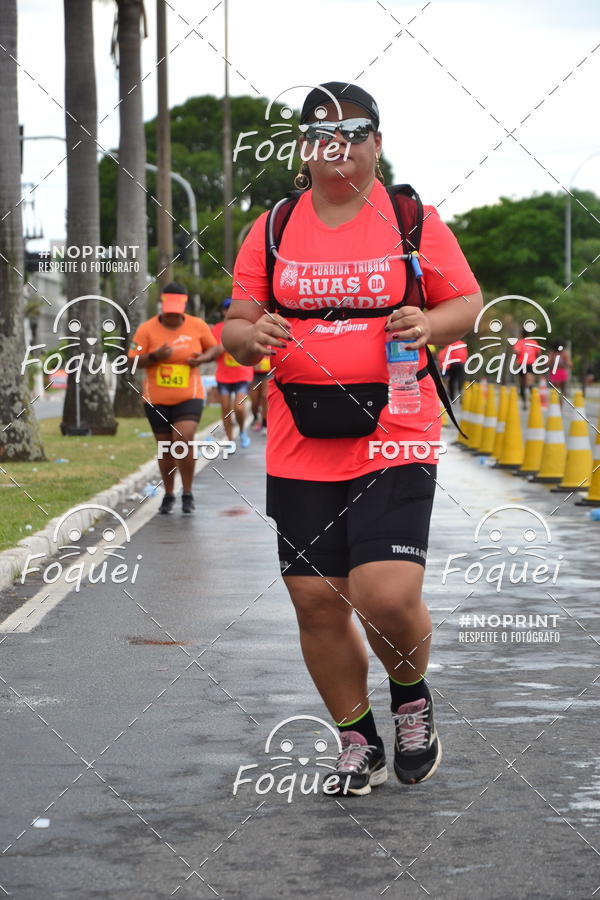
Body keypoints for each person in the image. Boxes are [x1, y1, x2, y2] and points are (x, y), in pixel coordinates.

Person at [223, 82, 482, 796]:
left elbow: (466, 303)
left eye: (356, 132)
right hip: (301, 437)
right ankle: (356, 738)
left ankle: (412, 698)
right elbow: (237, 325)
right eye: (323, 135)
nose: (340, 148)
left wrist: (430, 324)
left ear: (377, 141)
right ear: (305, 148)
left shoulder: (412, 220)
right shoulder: (273, 227)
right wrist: (253, 336)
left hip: (397, 429)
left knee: (386, 592)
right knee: (315, 596)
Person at [128, 282, 219, 514]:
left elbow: (216, 349)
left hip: (189, 395)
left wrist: (203, 358)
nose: (172, 317)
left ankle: (187, 492)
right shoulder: (147, 329)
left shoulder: (197, 326)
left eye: (176, 313)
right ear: (162, 305)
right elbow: (132, 360)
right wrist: (154, 356)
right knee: (166, 448)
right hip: (155, 398)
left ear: (184, 307)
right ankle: (169, 493)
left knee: (183, 439)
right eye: (169, 312)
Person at [211, 298, 253, 448]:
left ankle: (242, 431)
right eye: (226, 308)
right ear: (223, 311)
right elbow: (212, 351)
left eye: (231, 308)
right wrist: (223, 346)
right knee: (225, 408)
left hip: (242, 374)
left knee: (239, 407)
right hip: (223, 376)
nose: (229, 311)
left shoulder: (245, 326)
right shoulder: (217, 329)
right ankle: (230, 440)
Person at [513, 328, 542, 408]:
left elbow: (516, 352)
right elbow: (539, 352)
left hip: (522, 363)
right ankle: (532, 397)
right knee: (530, 381)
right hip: (531, 363)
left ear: (522, 334)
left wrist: (516, 359)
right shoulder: (533, 342)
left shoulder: (519, 342)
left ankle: (524, 400)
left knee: (522, 382)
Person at [250, 354, 271, 433]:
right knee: (254, 401)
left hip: (267, 374)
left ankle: (264, 422)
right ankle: (255, 417)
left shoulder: (272, 343)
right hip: (254, 374)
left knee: (265, 397)